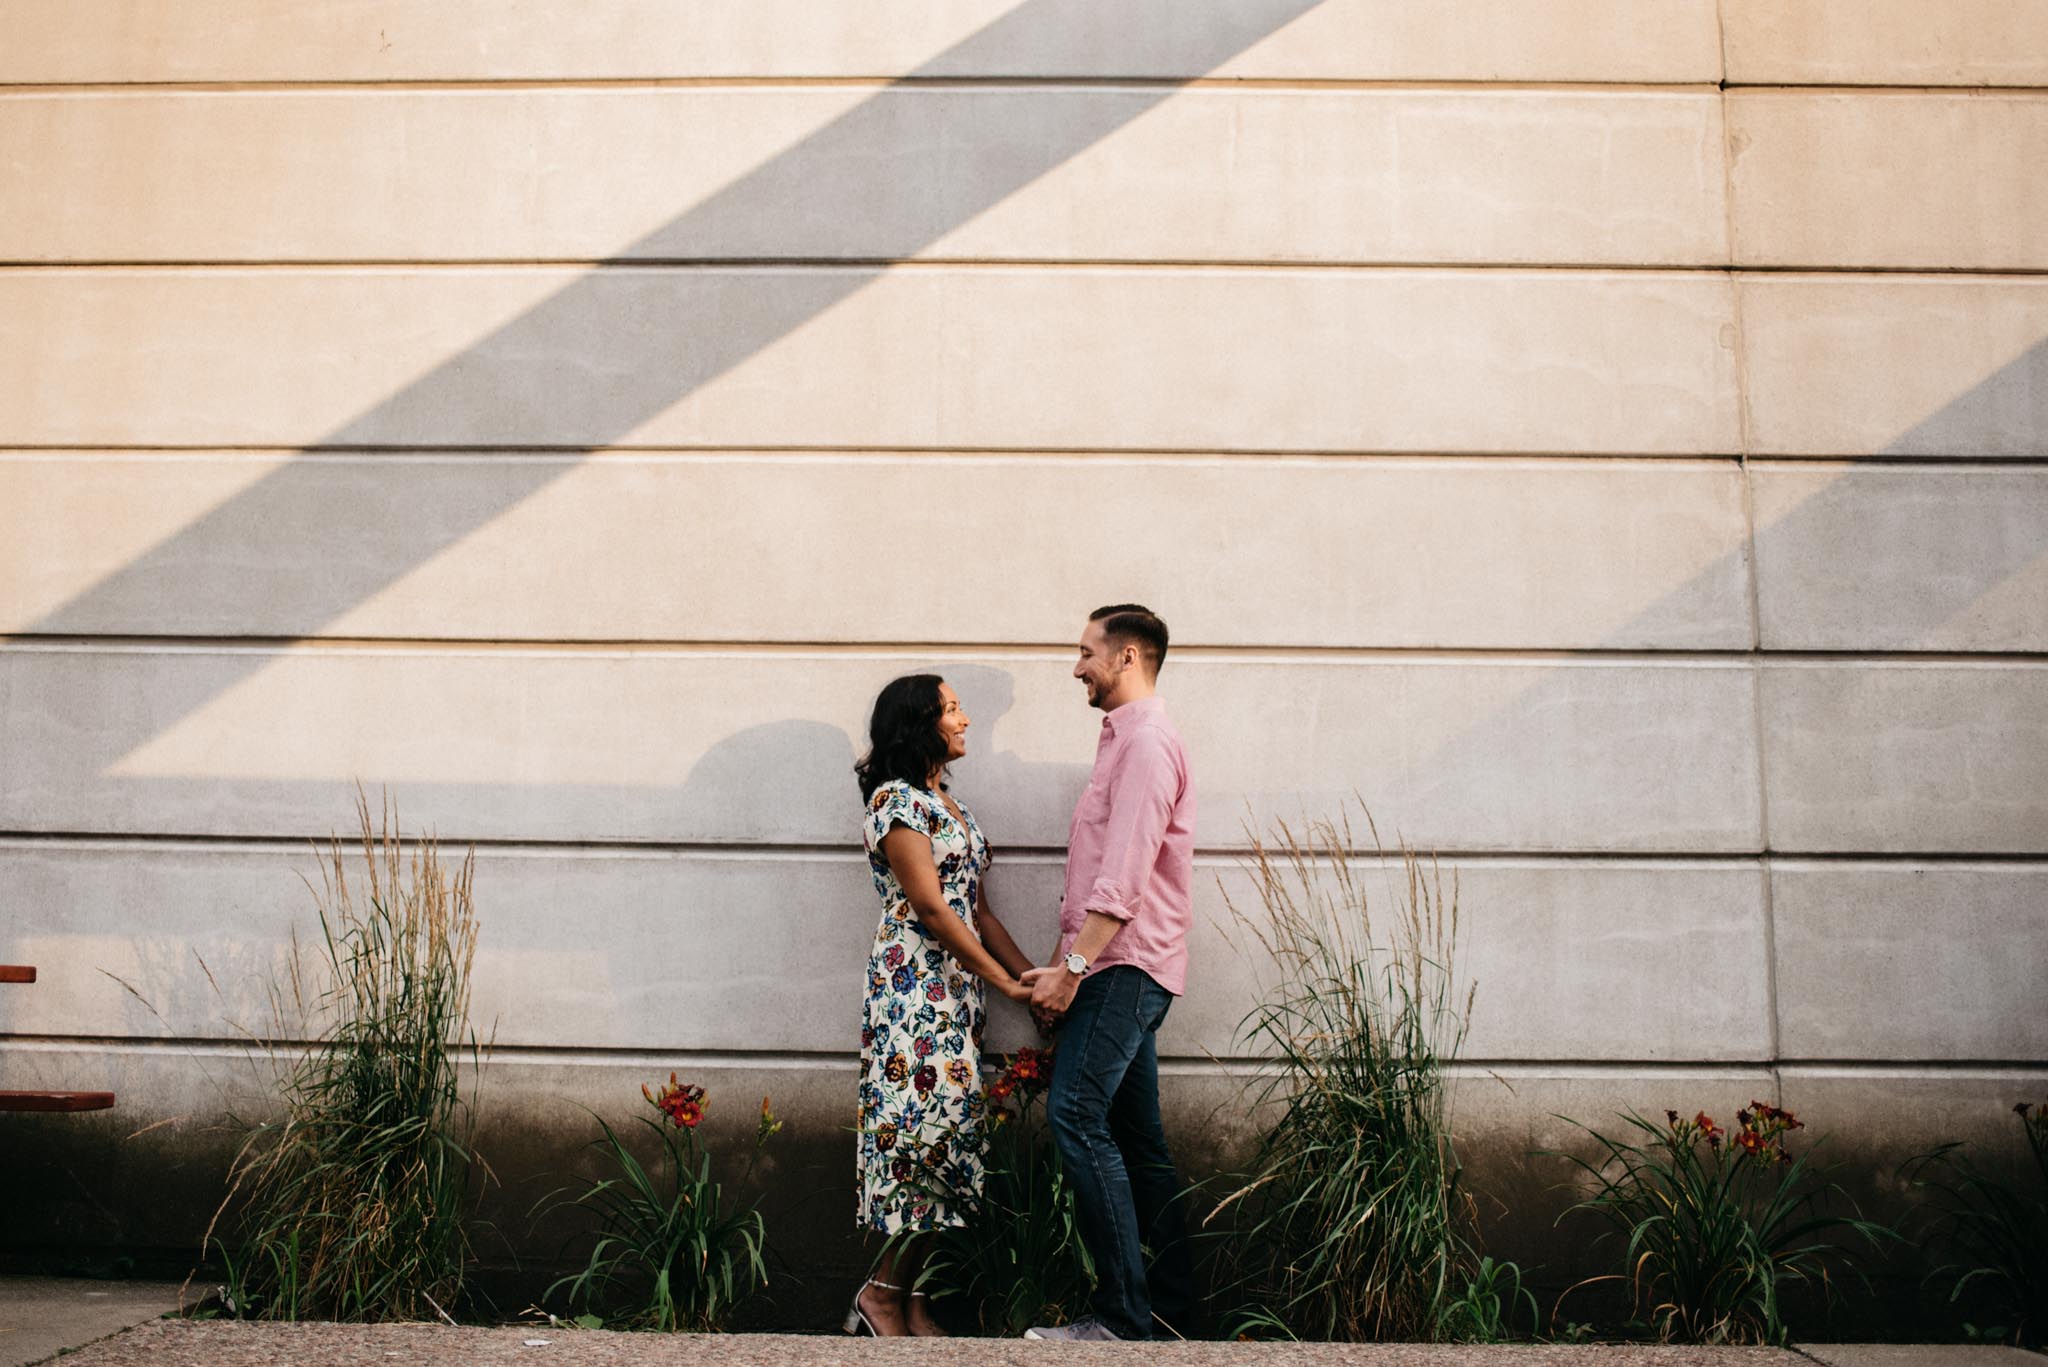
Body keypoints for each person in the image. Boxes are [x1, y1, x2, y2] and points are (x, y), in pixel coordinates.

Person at [1021, 604, 1197, 1342]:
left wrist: (1072, 968)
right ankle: (1177, 1313)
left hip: (1122, 968)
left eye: (1086, 651)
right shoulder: (1125, 741)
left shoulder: (1148, 744)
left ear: (1128, 656)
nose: (1076, 666)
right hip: (1121, 965)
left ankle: (1124, 1317)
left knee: (1076, 1117)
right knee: (1138, 1139)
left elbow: (1123, 876)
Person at [845, 673, 1038, 1337]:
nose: (964, 718)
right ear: (918, 722)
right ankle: (880, 1294)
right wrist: (1005, 983)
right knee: (921, 1139)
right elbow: (930, 907)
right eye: (952, 708)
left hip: (956, 997)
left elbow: (976, 910)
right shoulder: (897, 802)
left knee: (949, 1143)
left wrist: (1027, 977)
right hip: (912, 993)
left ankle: (911, 1297)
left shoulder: (951, 805)